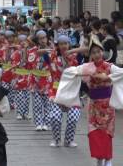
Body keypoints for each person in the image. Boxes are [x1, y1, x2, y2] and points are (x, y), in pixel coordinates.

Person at [55, 35, 123, 166]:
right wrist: (77, 73)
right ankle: (99, 160)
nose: (97, 55)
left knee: (106, 134)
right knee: (94, 134)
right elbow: (70, 72)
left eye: (98, 51)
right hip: (93, 106)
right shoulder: (86, 67)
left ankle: (108, 160)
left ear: (103, 52)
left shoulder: (110, 67)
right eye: (93, 52)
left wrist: (108, 77)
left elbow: (121, 73)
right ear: (90, 54)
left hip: (107, 106)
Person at [49, 35, 81, 147]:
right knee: (55, 117)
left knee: (73, 117)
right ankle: (56, 140)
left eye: (65, 43)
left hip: (72, 91)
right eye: (61, 44)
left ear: (69, 44)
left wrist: (72, 51)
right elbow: (39, 52)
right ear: (58, 46)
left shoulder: (75, 56)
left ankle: (69, 140)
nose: (63, 46)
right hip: (56, 90)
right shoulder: (53, 56)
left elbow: (87, 49)